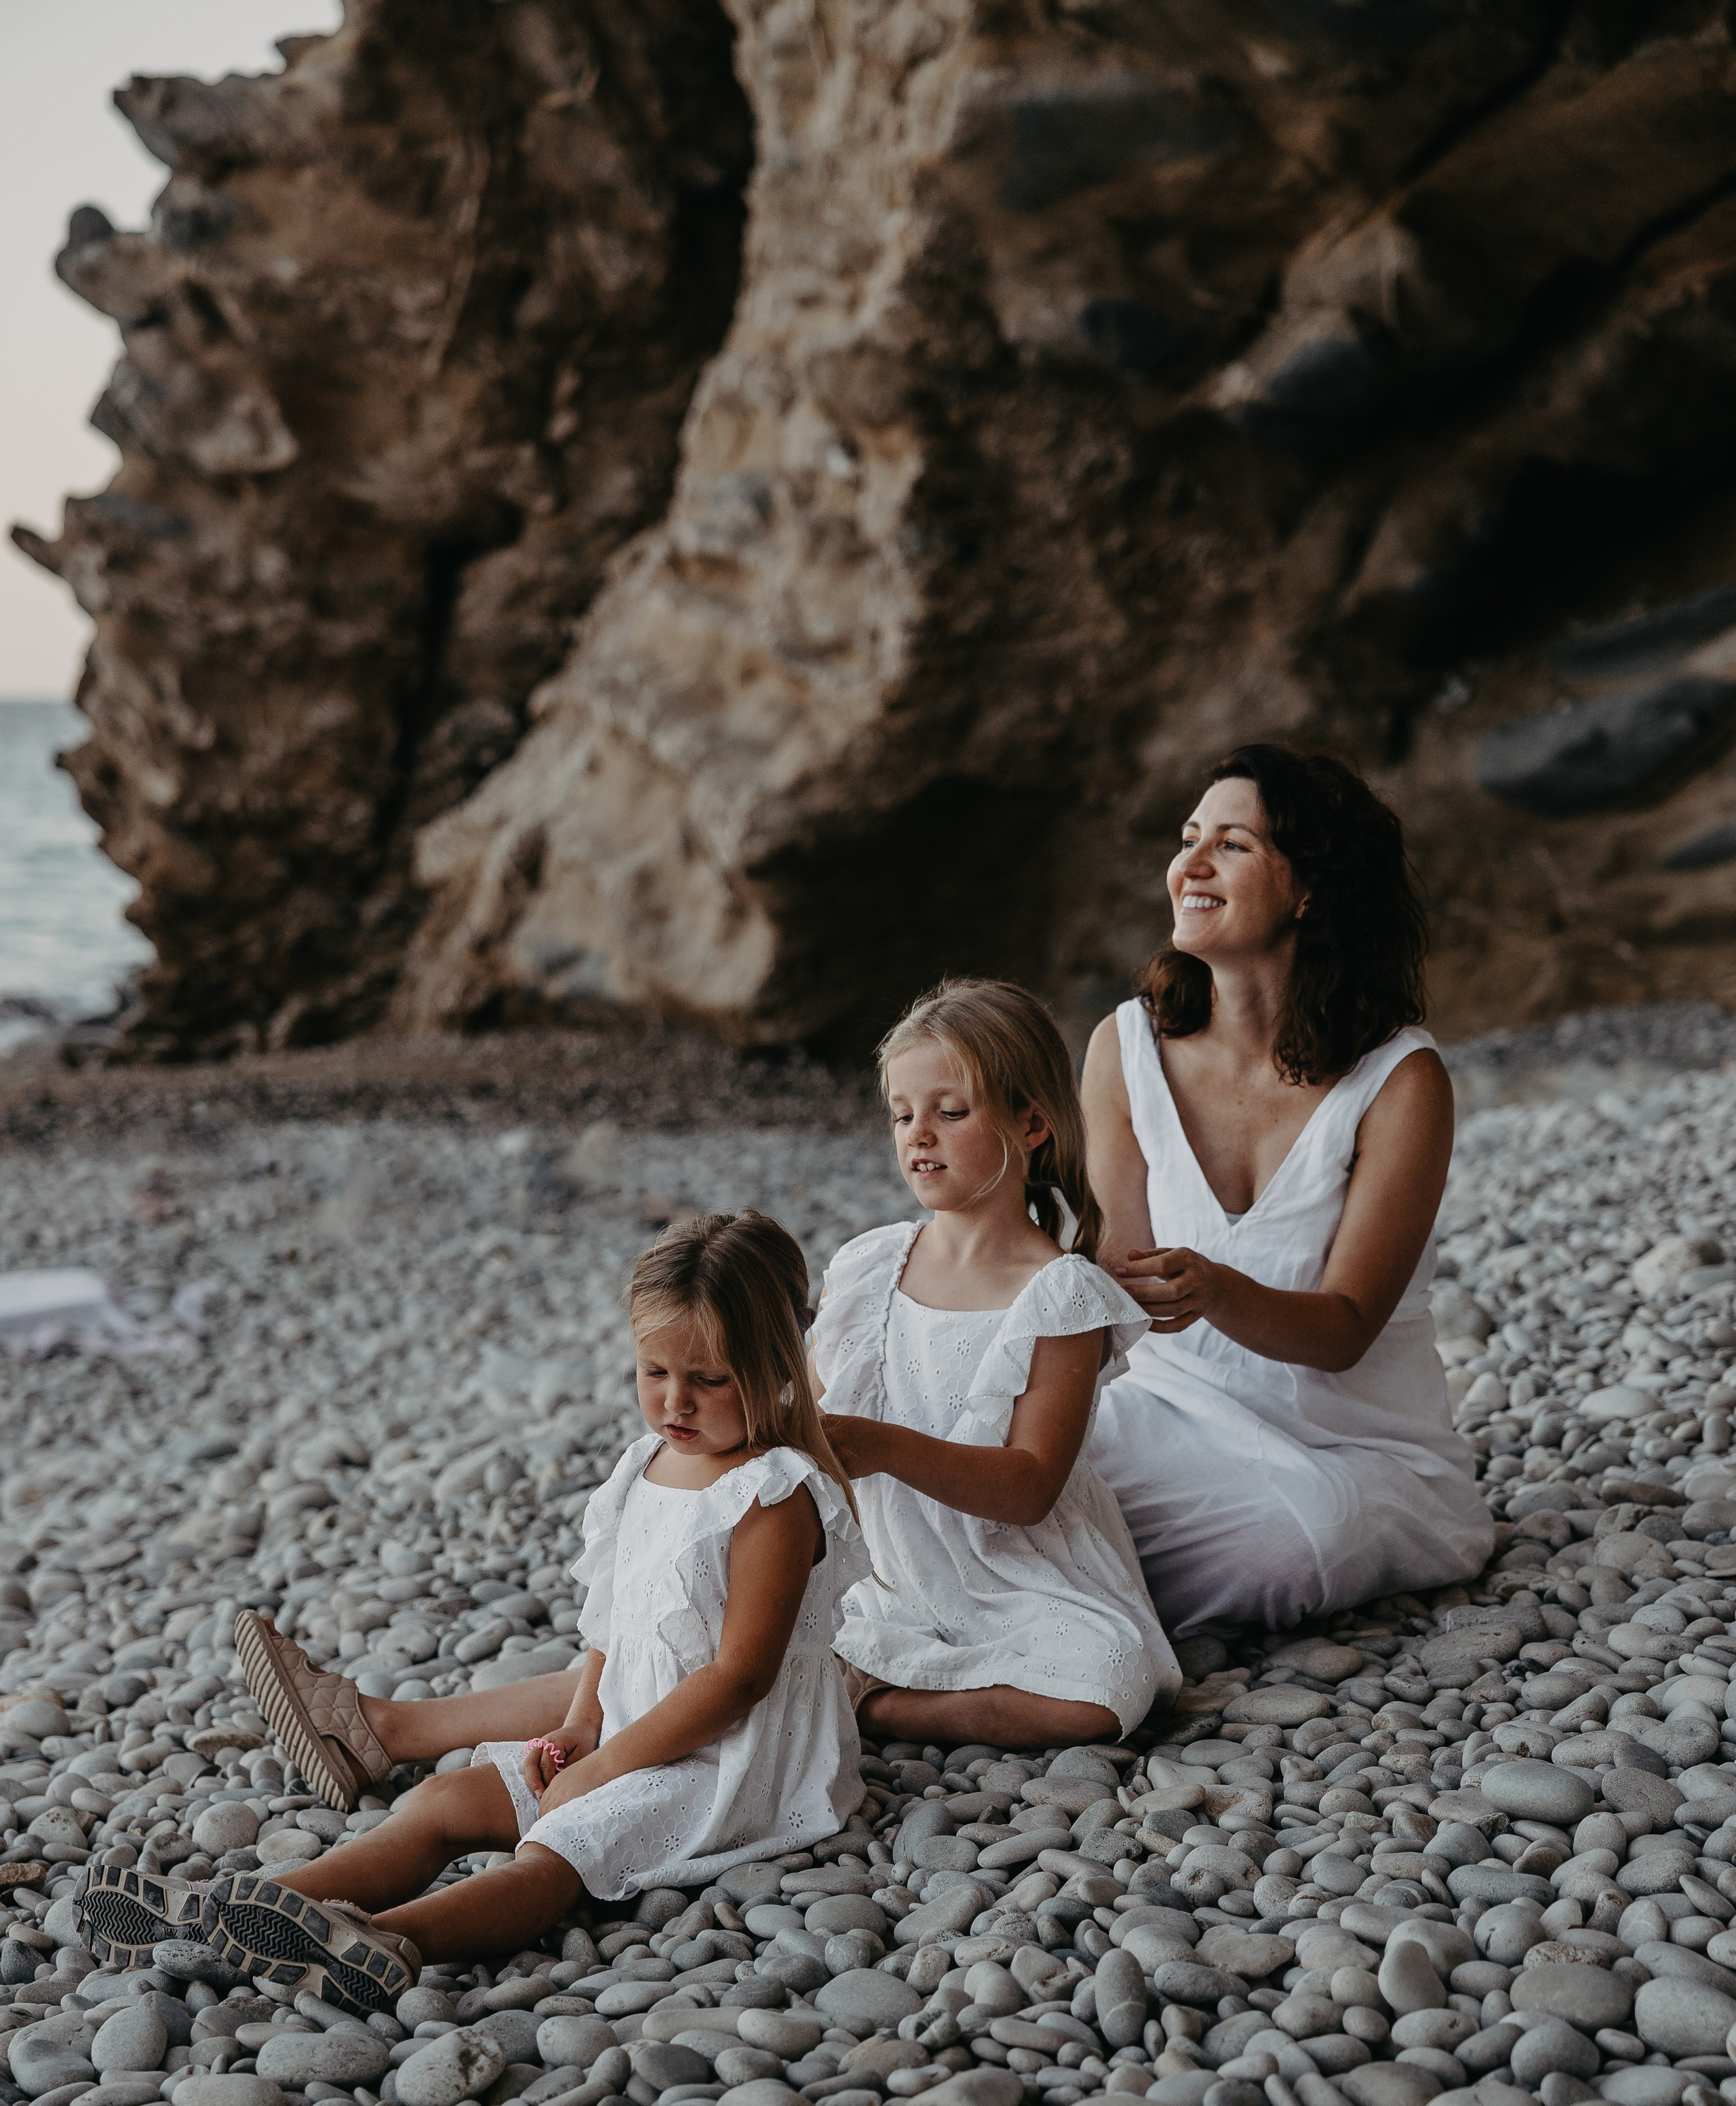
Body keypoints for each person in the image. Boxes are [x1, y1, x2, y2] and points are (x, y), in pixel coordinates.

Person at [79, 1212, 867, 2013]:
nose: (675, 1401)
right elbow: (616, 1624)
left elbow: (738, 1679)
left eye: (709, 1380)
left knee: (556, 1852)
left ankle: (380, 1938)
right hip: (627, 1732)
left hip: (726, 1762)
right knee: (441, 1804)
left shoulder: (771, 1495)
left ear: (774, 1367)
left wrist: (602, 1771)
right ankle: (237, 1911)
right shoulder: (647, 1465)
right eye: (654, 1371)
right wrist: (579, 1726)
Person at [1084, 741, 1494, 1637]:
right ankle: (1067, 1612)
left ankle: (1070, 1609)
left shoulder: (1399, 1080)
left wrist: (1214, 1289)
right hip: (1166, 1411)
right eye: (1189, 838)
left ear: (1309, 888)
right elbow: (1117, 1282)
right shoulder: (1124, 1048)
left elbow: (1344, 1330)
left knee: (1296, 1543)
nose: (1190, 865)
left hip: (1346, 1450)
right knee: (1022, 1469)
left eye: (1231, 845)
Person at [812, 977, 1179, 1751]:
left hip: (1016, 1579)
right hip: (886, 1569)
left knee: (1111, 1685)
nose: (919, 1135)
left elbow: (1029, 1489)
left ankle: (865, 1704)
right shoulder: (868, 1268)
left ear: (1031, 1124)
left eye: (950, 1112)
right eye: (902, 1115)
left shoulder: (1062, 1295)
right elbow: (812, 1430)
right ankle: (851, 1670)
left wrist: (884, 1446)